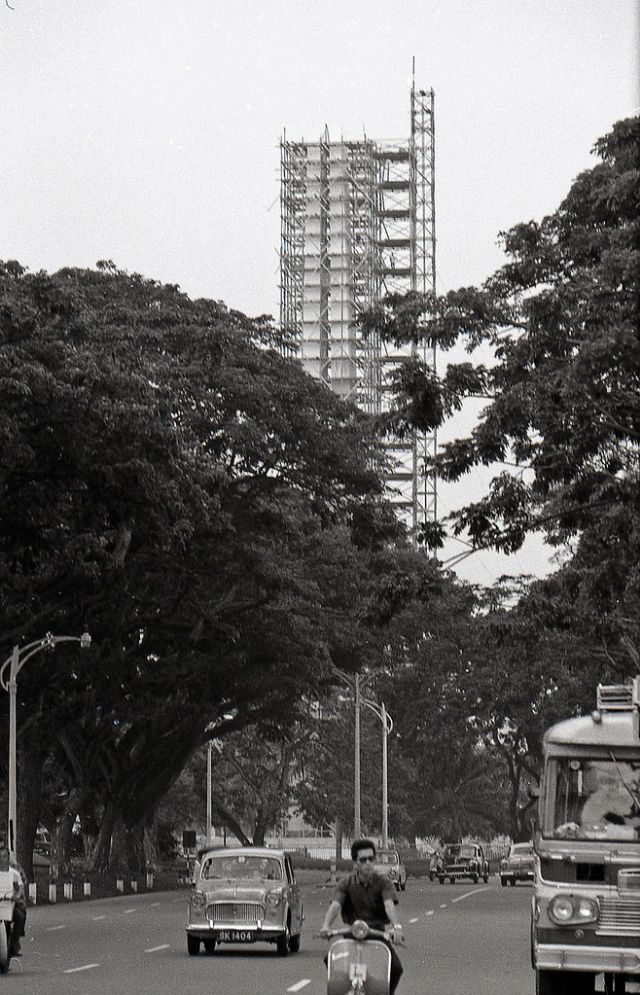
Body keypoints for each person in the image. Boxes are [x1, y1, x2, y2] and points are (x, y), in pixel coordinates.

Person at [320, 838, 404, 994]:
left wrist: (397, 927)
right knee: (330, 959)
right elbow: (336, 905)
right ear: (355, 863)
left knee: (396, 968)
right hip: (351, 934)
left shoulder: (384, 882)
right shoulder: (346, 883)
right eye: (363, 859)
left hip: (377, 935)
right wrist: (326, 926)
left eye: (371, 859)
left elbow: (389, 904)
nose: (368, 863)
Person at [0, 844, 26, 957]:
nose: (2, 859)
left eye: (4, 856)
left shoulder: (14, 871)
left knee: (20, 916)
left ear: (8, 857)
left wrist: (17, 895)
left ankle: (14, 944)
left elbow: (21, 885)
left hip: (9, 904)